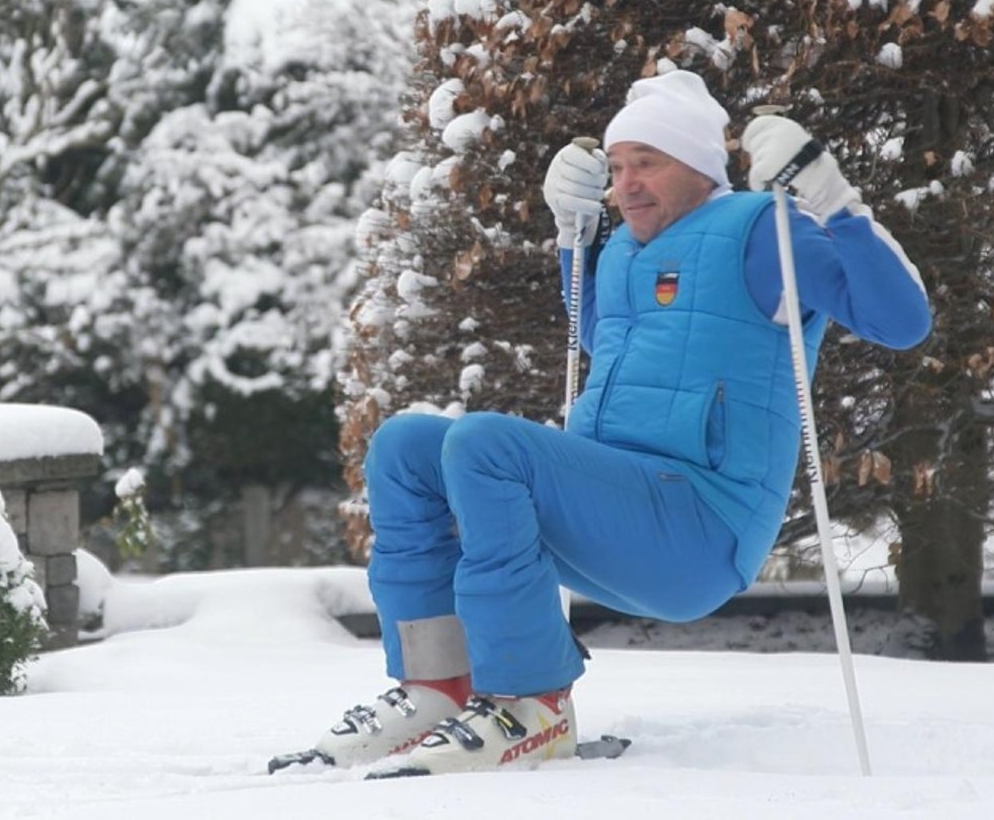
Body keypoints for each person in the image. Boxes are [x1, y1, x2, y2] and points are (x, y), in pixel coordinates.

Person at [295, 69, 932, 777]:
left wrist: (827, 192)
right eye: (619, 166)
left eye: (647, 164)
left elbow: (901, 323)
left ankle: (532, 705)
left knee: (485, 444)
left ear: (697, 167)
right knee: (404, 446)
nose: (626, 183)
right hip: (621, 509)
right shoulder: (626, 247)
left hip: (700, 526)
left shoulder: (759, 231)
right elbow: (611, 338)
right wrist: (575, 238)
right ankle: (439, 686)